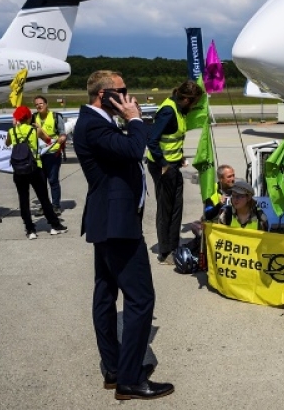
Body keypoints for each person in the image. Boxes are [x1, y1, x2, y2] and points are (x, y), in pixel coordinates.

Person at [74, 70, 173, 400]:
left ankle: (115, 367)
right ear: (103, 95)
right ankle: (129, 379)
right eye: (122, 92)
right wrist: (136, 119)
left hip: (110, 221)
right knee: (141, 298)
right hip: (116, 226)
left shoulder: (97, 121)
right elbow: (133, 149)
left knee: (105, 294)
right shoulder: (93, 124)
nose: (128, 98)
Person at [146, 81, 205, 265]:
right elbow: (152, 140)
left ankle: (173, 244)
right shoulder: (168, 111)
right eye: (194, 102)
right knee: (166, 209)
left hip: (173, 165)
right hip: (162, 167)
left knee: (176, 208)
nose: (194, 106)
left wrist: (179, 158)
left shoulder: (179, 110)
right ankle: (165, 252)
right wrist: (164, 164)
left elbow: (171, 140)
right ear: (186, 99)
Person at [5, 106, 68, 239]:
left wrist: (14, 128)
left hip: (19, 170)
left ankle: (30, 229)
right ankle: (54, 225)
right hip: (35, 168)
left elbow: (7, 143)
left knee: (23, 199)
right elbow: (48, 140)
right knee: (43, 198)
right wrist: (39, 127)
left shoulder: (12, 131)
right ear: (29, 117)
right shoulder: (35, 130)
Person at [32, 95, 67, 215]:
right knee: (41, 182)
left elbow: (62, 132)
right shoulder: (33, 118)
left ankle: (56, 205)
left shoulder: (55, 117)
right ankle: (44, 206)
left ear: (46, 104)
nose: (38, 106)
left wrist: (62, 137)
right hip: (39, 154)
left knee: (53, 180)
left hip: (52, 153)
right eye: (36, 104)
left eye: (41, 103)